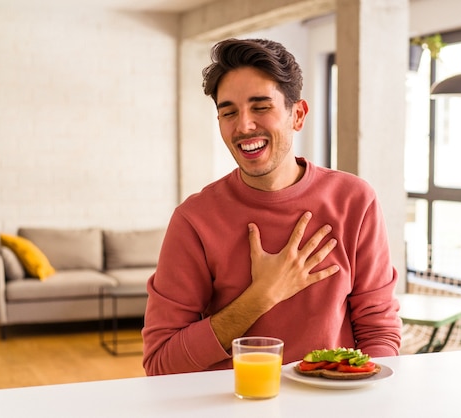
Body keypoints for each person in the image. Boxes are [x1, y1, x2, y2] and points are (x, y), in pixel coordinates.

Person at [142, 38, 402, 375]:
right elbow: (161, 363)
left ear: (298, 114)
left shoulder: (354, 200)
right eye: (228, 112)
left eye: (260, 106)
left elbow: (378, 330)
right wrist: (261, 296)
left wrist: (368, 396)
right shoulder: (194, 220)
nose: (243, 125)